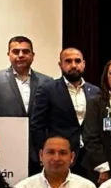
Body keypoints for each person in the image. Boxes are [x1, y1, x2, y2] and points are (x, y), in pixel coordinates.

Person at [29, 47, 101, 177]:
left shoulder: (95, 91)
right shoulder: (47, 89)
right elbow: (37, 125)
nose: (73, 65)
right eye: (68, 61)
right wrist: (44, 153)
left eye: (77, 61)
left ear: (84, 64)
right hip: (60, 155)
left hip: (90, 157)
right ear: (60, 65)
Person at [0, 35, 48, 118]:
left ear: (33, 55)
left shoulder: (46, 82)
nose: (21, 55)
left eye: (25, 51)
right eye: (16, 52)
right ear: (9, 55)